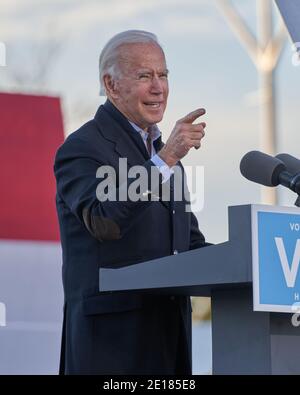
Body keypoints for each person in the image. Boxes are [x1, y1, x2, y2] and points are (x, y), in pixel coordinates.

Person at [54, 30, 208, 375]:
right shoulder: (82, 148)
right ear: (111, 85)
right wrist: (165, 159)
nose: (159, 88)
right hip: (112, 347)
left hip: (169, 343)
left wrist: (254, 258)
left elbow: (190, 248)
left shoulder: (166, 159)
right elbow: (104, 220)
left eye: (163, 74)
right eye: (144, 76)